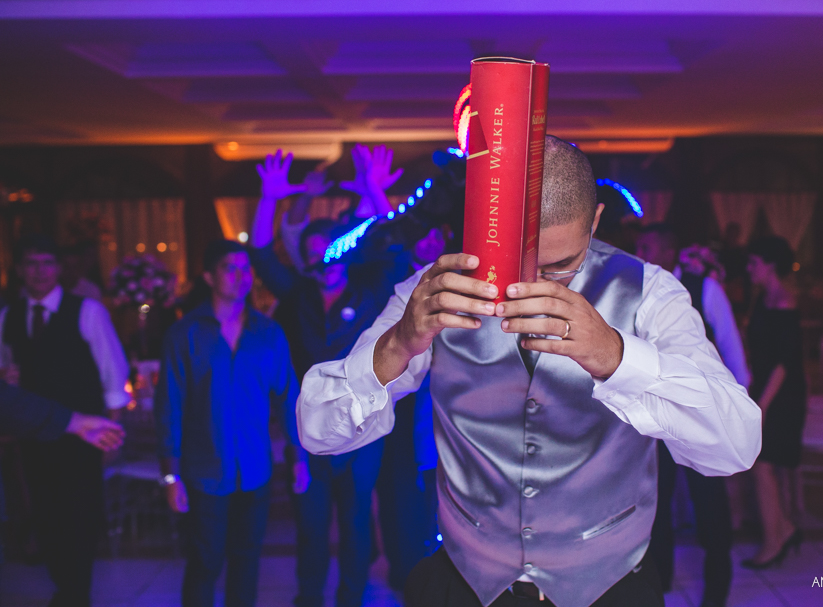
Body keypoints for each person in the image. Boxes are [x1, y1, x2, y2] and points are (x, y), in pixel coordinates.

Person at [297, 136, 761, 607]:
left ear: (595, 221)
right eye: (517, 260)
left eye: (560, 265)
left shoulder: (652, 294)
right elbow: (319, 432)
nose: (533, 283)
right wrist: (397, 344)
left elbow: (736, 445)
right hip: (465, 583)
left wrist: (617, 357)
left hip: (610, 586)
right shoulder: (434, 289)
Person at [249, 148, 406, 607]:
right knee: (311, 521)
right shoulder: (296, 292)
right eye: (314, 257)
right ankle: (309, 597)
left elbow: (395, 247)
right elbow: (259, 254)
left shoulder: (369, 288)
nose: (325, 264)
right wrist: (268, 199)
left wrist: (375, 190)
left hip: (364, 425)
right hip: (306, 429)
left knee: (357, 517)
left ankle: (351, 598)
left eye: (331, 254)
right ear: (306, 260)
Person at [154, 240, 306, 607]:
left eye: (246, 269)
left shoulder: (268, 334)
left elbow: (289, 398)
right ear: (209, 276)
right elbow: (169, 408)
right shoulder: (185, 334)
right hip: (204, 470)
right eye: (230, 268)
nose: (242, 277)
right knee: (204, 561)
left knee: (247, 559)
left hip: (255, 468)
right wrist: (171, 475)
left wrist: (299, 456)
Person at [0, 234, 129, 607]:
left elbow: (113, 372)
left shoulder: (87, 310)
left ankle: (76, 593)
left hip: (84, 433)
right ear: (21, 270)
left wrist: (113, 430)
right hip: (33, 431)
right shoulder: (8, 316)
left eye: (47, 263)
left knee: (79, 514)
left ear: (59, 269)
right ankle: (63, 586)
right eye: (32, 263)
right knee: (43, 511)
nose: (40, 271)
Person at [635, 225, 750, 607]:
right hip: (655, 422)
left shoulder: (706, 289)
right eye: (639, 247)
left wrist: (737, 414)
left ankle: (716, 592)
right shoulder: (638, 288)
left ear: (669, 250)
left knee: (710, 509)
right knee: (656, 502)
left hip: (699, 419)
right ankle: (662, 583)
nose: (642, 252)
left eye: (648, 246)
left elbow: (732, 348)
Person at [741, 235, 806, 570]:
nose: (750, 269)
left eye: (754, 263)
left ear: (769, 266)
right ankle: (784, 530)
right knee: (761, 466)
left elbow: (784, 362)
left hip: (782, 396)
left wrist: (762, 405)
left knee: (762, 465)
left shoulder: (784, 302)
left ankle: (773, 542)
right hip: (765, 391)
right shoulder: (763, 299)